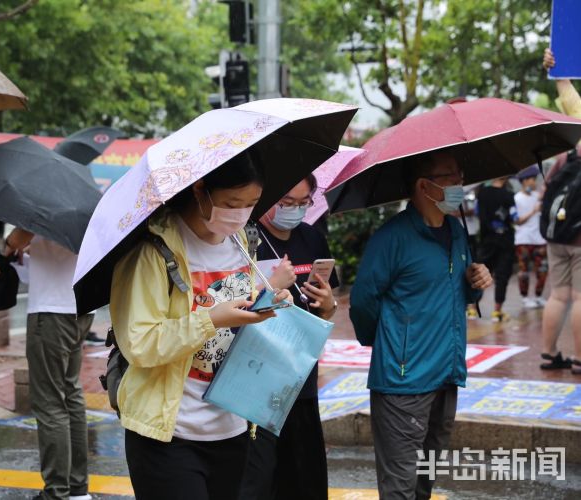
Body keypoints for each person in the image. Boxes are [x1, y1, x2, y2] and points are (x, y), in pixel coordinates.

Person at [109, 151, 290, 500]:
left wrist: (272, 305)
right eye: (232, 202)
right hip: (170, 435)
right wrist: (212, 318)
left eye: (251, 204)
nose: (240, 214)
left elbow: (246, 314)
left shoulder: (244, 243)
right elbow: (141, 344)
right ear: (200, 190)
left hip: (232, 428)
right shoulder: (154, 251)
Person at [350, 151, 492, 499]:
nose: (459, 184)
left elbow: (458, 294)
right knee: (400, 486)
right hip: (404, 381)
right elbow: (362, 302)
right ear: (423, 186)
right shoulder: (392, 238)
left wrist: (477, 282)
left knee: (424, 482)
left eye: (461, 175)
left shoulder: (457, 232)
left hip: (446, 374)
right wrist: (389, 345)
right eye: (450, 177)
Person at [239, 175, 338, 500]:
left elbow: (326, 304)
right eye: (286, 203)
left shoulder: (312, 238)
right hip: (256, 382)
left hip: (300, 378)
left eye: (302, 203)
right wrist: (271, 285)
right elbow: (235, 309)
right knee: (258, 482)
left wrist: (328, 306)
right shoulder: (245, 241)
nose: (294, 211)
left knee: (304, 481)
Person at [3, 229, 94, 500]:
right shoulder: (84, 204)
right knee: (71, 395)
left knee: (51, 402)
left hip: (51, 311)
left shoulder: (44, 208)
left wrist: (9, 244)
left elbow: (19, 237)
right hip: (80, 307)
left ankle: (56, 492)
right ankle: (77, 489)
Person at [539, 49, 581, 374]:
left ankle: (549, 354)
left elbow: (564, 88)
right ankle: (580, 359)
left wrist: (557, 66)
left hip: (558, 229)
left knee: (559, 295)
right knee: (580, 298)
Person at [476, 176, 517, 322]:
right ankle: (497, 311)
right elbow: (514, 217)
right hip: (505, 241)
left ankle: (472, 308)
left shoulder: (482, 193)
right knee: (502, 276)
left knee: (480, 274)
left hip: (487, 240)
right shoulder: (509, 195)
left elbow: (478, 213)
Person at [513, 165, 548, 309]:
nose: (534, 182)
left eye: (535, 179)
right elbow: (517, 220)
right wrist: (533, 211)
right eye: (532, 179)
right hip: (523, 240)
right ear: (524, 181)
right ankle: (525, 297)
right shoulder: (516, 198)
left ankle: (539, 296)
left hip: (540, 240)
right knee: (524, 271)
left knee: (543, 269)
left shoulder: (537, 197)